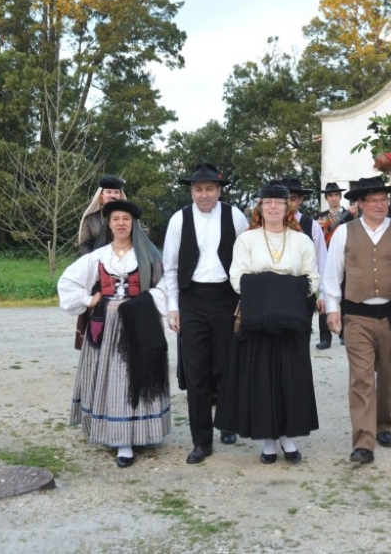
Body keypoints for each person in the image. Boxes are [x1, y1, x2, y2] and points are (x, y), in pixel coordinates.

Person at [321, 176, 391, 464]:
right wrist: (332, 308)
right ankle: (363, 442)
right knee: (361, 379)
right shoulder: (345, 233)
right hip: (356, 315)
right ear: (361, 203)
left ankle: (383, 424)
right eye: (374, 200)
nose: (380, 205)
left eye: (384, 200)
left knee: (387, 374)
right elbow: (332, 274)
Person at [214, 184, 320, 464]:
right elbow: (236, 276)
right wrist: (273, 288)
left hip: (292, 320)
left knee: (290, 379)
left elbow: (313, 279)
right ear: (260, 208)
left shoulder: (302, 242)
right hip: (257, 319)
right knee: (262, 379)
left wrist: (281, 290)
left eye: (279, 203)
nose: (273, 207)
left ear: (288, 209)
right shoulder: (246, 240)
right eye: (268, 202)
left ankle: (289, 437)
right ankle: (268, 442)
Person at [58, 200, 170, 468]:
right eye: (116, 219)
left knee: (135, 375)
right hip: (106, 326)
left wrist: (145, 301)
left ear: (134, 224)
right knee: (114, 377)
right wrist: (88, 300)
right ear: (109, 224)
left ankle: (140, 432)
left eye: (126, 219)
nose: (121, 223)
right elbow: (68, 282)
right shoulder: (97, 257)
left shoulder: (148, 256)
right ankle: (121, 439)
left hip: (140, 323)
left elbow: (166, 287)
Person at [162, 162, 248, 464]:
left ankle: (227, 423)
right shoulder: (178, 220)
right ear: (191, 191)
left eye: (209, 188)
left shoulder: (235, 216)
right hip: (192, 299)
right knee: (196, 371)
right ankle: (201, 441)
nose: (204, 194)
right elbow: (170, 266)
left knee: (227, 366)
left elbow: (246, 258)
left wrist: (243, 296)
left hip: (226, 297)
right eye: (198, 189)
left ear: (219, 190)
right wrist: (173, 307)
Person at [277, 178, 329, 348]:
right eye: (284, 199)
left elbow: (322, 262)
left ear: (300, 200)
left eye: (292, 199)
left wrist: (322, 294)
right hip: (274, 291)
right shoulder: (268, 224)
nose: (288, 204)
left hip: (301, 292)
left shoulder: (311, 226)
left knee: (299, 343)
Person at [314, 182, 355, 349]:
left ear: (339, 196)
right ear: (326, 198)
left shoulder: (349, 215)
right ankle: (325, 337)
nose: (333, 198)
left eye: (336, 195)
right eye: (330, 195)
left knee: (345, 295)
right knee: (324, 297)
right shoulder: (319, 217)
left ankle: (344, 332)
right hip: (325, 259)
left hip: (345, 258)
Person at [78, 175, 126, 255]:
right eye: (109, 192)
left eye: (116, 192)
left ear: (120, 196)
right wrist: (95, 261)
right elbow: (84, 245)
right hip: (97, 263)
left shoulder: (129, 218)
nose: (113, 195)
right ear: (101, 196)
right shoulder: (91, 219)